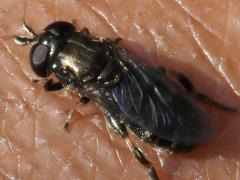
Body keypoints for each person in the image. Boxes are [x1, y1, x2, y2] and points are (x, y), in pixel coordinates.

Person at [0, 0, 239, 179]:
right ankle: (199, 99)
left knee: (124, 133)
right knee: (163, 75)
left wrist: (53, 90)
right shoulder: (98, 45)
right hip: (130, 72)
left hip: (115, 91)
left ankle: (149, 169)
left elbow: (74, 92)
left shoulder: (70, 78)